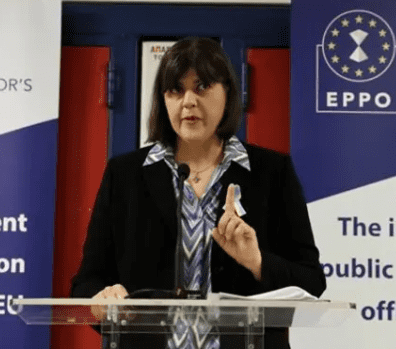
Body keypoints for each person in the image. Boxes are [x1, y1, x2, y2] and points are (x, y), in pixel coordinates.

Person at [71, 37, 326, 349]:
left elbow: (312, 282)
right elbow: (87, 281)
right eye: (175, 90)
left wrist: (257, 261)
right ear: (163, 100)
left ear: (227, 93)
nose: (188, 101)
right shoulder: (125, 175)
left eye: (202, 87)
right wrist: (103, 300)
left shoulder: (272, 173)